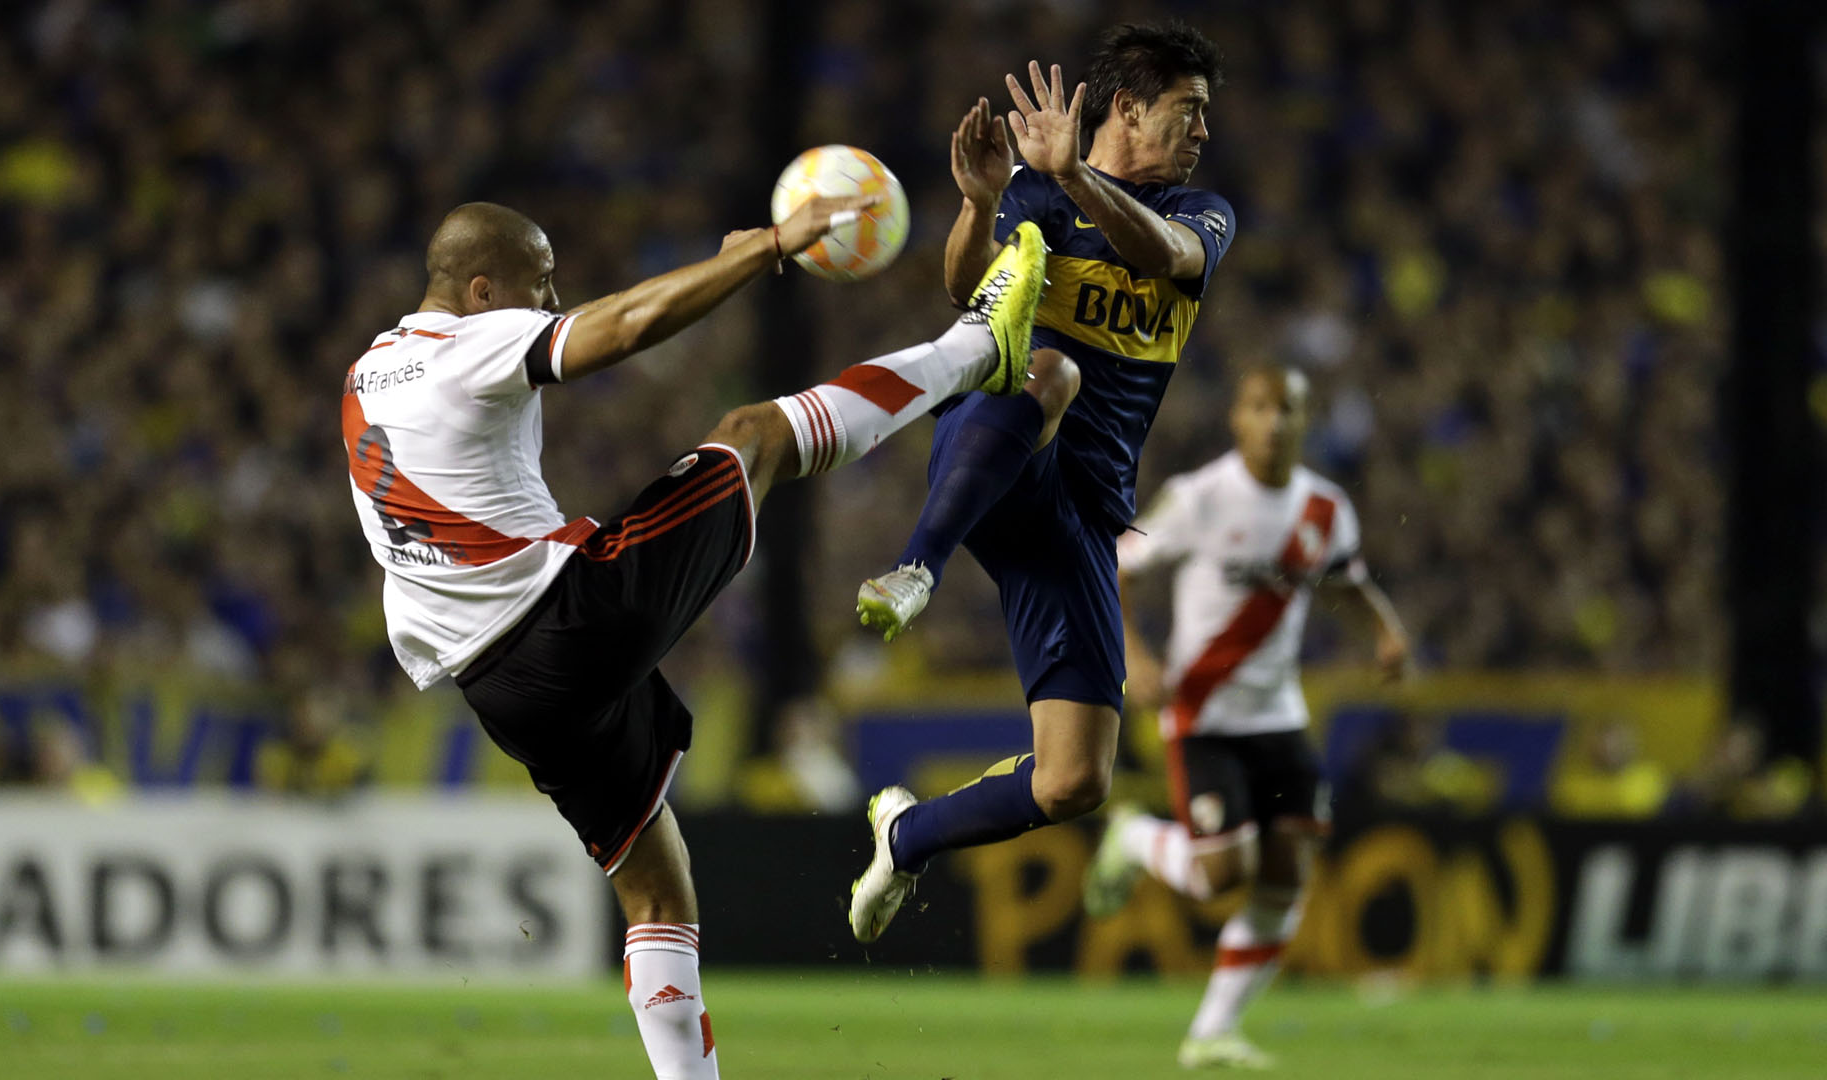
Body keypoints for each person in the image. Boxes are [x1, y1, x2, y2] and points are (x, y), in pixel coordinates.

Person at [342, 199, 1047, 1080]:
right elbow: (624, 327)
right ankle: (979, 346)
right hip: (567, 615)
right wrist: (760, 252)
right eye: (541, 282)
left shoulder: (367, 374)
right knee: (752, 436)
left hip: (500, 687)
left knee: (656, 892)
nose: (553, 298)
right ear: (482, 291)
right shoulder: (464, 348)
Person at [847, 22, 1238, 944]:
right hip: (1001, 449)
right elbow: (964, 292)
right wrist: (981, 204)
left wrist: (1074, 178)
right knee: (1051, 372)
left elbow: (1164, 257)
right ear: (1129, 108)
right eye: (1189, 109)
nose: (1203, 130)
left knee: (1074, 781)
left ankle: (907, 837)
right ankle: (917, 567)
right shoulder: (1034, 195)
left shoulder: (1201, 210)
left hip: (1085, 513)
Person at [1081, 365, 1411, 1070]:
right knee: (1221, 875)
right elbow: (1115, 565)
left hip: (1279, 718)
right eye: (1260, 407)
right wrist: (1133, 655)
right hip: (1202, 716)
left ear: (1305, 420)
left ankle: (1211, 1032)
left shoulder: (1325, 509)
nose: (1274, 422)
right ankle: (1134, 837)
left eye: (1287, 409)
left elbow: (1346, 583)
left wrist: (1385, 630)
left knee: (1286, 877)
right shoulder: (1200, 497)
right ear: (1237, 418)